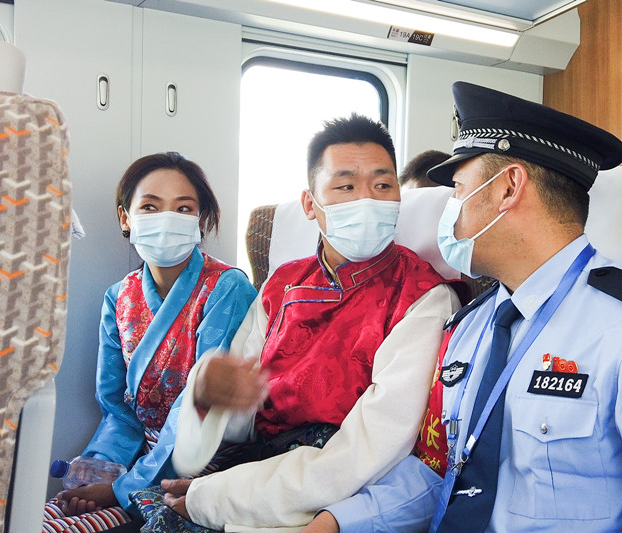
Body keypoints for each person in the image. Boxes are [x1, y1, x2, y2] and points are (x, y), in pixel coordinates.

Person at [310, 82, 622, 532]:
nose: (447, 209)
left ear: (508, 188)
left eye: (457, 189)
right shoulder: (469, 328)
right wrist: (337, 522)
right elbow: (446, 473)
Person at [158, 114, 462, 531]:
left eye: (382, 185)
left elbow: (370, 449)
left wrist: (217, 497)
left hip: (340, 489)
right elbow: (240, 421)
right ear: (309, 204)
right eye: (345, 187)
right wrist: (212, 398)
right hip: (260, 470)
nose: (367, 200)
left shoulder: (423, 297)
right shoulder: (280, 286)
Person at [43, 152, 257, 530]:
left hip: (202, 460)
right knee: (38, 517)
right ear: (126, 218)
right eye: (150, 207)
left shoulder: (226, 288)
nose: (166, 219)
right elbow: (118, 410)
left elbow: (200, 406)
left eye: (183, 207)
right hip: (141, 458)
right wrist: (101, 468)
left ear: (200, 220)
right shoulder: (119, 297)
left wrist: (121, 489)